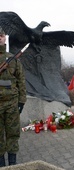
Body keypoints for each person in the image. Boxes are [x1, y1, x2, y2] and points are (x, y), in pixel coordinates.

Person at [0, 27, 26, 167]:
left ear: (5, 38)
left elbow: (21, 80)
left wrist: (21, 101)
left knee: (13, 134)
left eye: (1, 35)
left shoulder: (13, 59)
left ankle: (12, 165)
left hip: (11, 103)